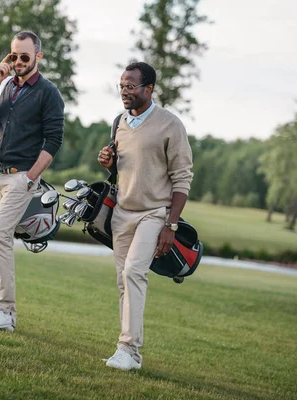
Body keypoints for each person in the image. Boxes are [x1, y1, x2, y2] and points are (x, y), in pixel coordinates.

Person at [97, 62, 194, 370]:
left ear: (148, 89)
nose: (124, 92)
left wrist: (171, 224)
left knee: (134, 273)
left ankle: (128, 349)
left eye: (131, 86)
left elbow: (182, 177)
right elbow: (124, 170)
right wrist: (108, 163)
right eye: (121, 86)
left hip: (154, 214)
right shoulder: (119, 123)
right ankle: (128, 352)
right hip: (122, 213)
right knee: (123, 280)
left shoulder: (170, 124)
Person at [0, 30, 65, 331]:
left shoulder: (49, 92)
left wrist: (30, 178)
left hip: (21, 178)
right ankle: (4, 314)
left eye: (25, 56)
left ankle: (3, 310)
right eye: (14, 56)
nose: (19, 61)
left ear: (38, 56)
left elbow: (54, 141)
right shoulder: (7, 86)